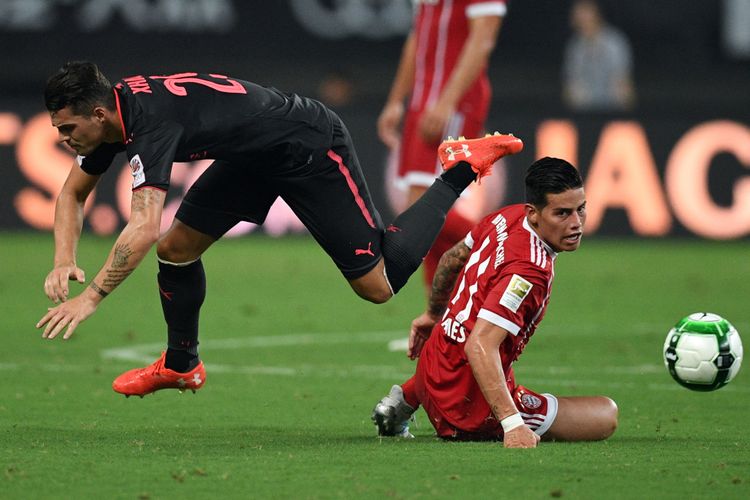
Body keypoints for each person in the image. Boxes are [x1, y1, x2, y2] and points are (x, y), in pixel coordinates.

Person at [35, 61, 523, 397]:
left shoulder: (148, 125)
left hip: (304, 144)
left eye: (66, 129)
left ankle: (459, 168)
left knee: (378, 285)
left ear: (97, 114)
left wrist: (92, 296)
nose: (64, 140)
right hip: (250, 156)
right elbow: (72, 194)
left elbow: (140, 228)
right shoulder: (109, 117)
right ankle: (182, 364)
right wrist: (63, 259)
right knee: (177, 248)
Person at [371, 157, 618, 448]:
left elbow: (451, 259)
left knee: (464, 334)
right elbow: (480, 346)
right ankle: (497, 414)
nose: (576, 223)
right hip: (465, 408)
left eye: (581, 209)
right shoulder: (530, 271)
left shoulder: (507, 217)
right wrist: (513, 424)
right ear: (535, 214)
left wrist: (432, 314)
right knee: (606, 415)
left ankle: (403, 401)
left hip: (431, 368)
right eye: (562, 213)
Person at [377, 0, 507, 293]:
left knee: (421, 212)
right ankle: (440, 321)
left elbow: (482, 39)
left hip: (455, 104)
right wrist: (397, 101)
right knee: (421, 220)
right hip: (422, 104)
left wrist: (447, 102)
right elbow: (418, 37)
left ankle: (506, 250)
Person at [562, 0, 636, 112]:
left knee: (622, 90)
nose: (582, 19)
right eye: (579, 15)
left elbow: (622, 81)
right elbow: (571, 82)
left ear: (596, 15)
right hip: (584, 112)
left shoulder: (614, 42)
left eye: (586, 14)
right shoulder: (575, 47)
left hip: (613, 110)